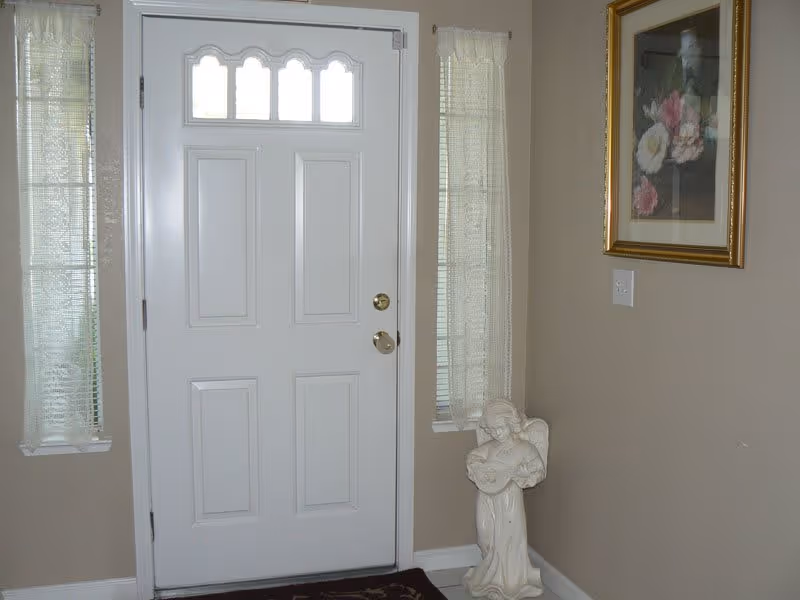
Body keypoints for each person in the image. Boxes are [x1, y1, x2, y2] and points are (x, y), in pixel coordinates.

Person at [465, 400, 548, 600]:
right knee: (485, 533)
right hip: (486, 497)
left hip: (510, 498)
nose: (496, 434)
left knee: (509, 537)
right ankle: (490, 571)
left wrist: (523, 473)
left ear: (511, 425)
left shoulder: (524, 448)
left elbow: (539, 470)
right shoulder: (490, 447)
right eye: (492, 430)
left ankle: (508, 580)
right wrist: (480, 469)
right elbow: (473, 458)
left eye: (500, 428)